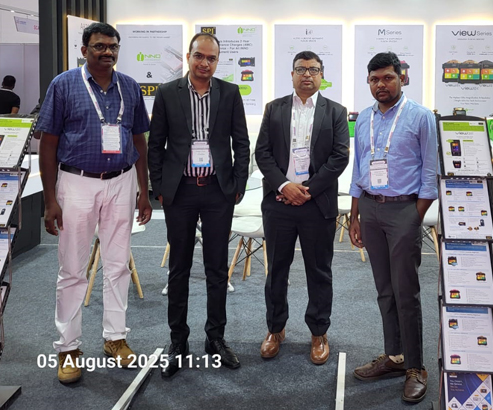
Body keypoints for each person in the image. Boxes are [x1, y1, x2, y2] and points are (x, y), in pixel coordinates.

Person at [36, 22, 152, 384]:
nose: (107, 52)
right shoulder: (64, 84)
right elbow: (48, 143)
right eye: (100, 46)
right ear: (84, 50)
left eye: (113, 47)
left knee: (117, 264)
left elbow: (139, 140)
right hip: (76, 183)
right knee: (73, 269)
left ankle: (115, 338)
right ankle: (68, 347)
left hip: (121, 181)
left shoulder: (129, 86)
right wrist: (50, 199)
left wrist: (143, 190)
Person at [148, 32, 250, 377]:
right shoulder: (167, 92)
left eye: (211, 58)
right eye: (199, 56)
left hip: (218, 192)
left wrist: (237, 185)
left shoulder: (229, 93)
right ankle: (178, 341)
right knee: (178, 268)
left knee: (217, 268)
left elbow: (241, 143)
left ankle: (215, 337)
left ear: (217, 61)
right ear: (189, 56)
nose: (205, 63)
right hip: (181, 192)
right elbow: (156, 144)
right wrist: (161, 188)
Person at [348, 52, 438, 403]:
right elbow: (359, 169)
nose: (380, 84)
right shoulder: (364, 118)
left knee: (406, 291)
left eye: (387, 77)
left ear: (401, 78)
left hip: (404, 209)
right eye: (374, 79)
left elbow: (429, 172)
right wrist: (355, 216)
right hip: (370, 208)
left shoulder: (420, 116)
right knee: (384, 289)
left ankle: (416, 366)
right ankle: (395, 357)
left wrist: (415, 215)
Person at [255, 51, 349, 365]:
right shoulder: (275, 108)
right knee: (276, 271)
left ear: (322, 75)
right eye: (301, 69)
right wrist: (285, 186)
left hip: (317, 204)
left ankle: (319, 332)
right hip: (279, 203)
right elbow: (262, 153)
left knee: (319, 271)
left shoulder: (336, 112)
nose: (307, 74)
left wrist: (307, 190)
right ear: (292, 74)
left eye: (313, 69)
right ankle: (275, 329)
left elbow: (339, 157)